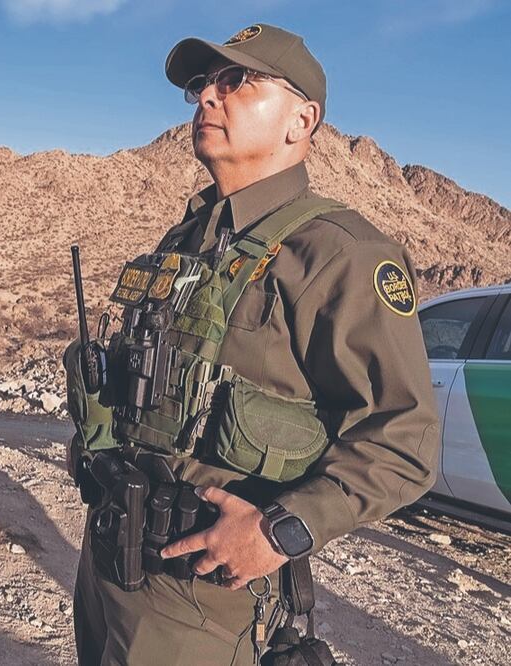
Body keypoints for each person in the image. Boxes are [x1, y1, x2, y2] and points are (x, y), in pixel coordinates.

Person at [66, 23, 439, 665]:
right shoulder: (185, 243)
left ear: (301, 120)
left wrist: (280, 530)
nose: (209, 96)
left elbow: (405, 438)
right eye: (200, 84)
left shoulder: (338, 255)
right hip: (112, 556)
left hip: (208, 593)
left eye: (237, 80)